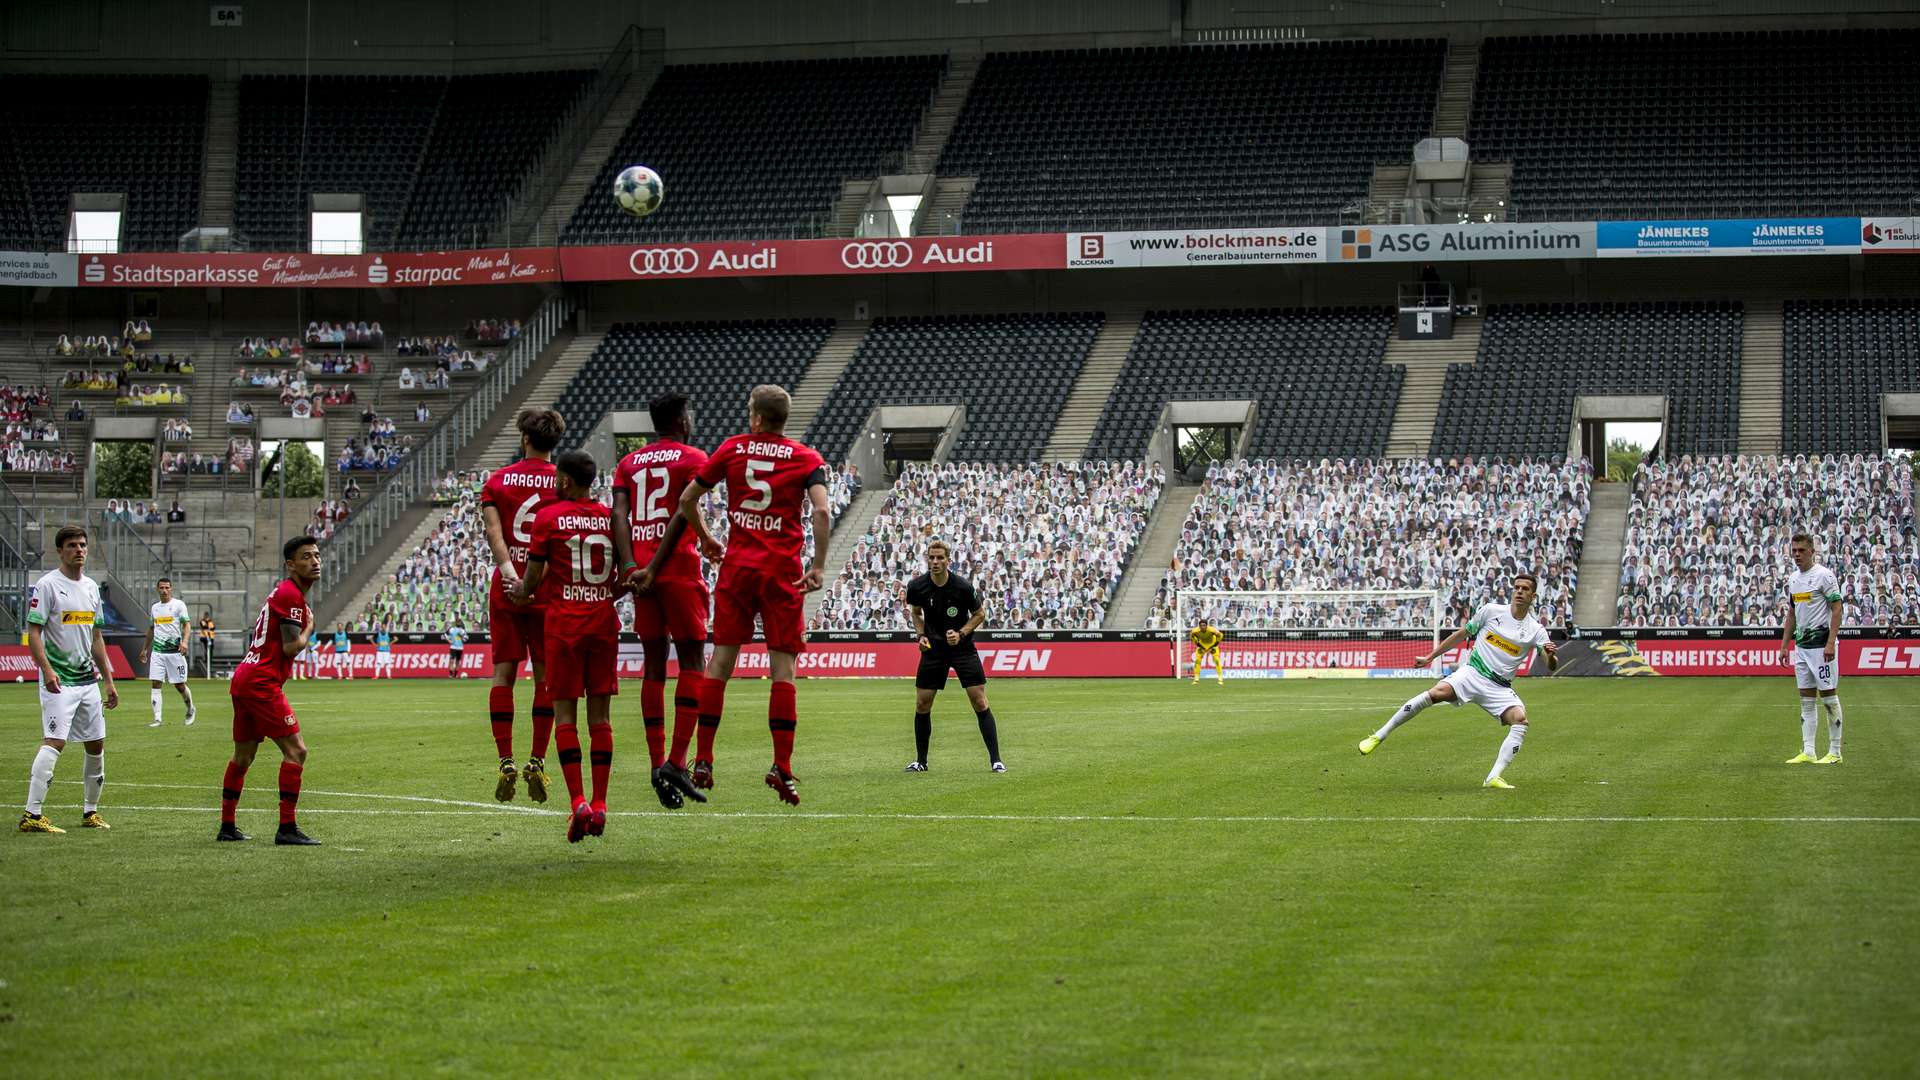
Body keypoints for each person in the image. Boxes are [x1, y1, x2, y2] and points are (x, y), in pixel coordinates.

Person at [633, 385, 831, 806]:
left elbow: (688, 498)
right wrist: (818, 566)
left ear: (756, 418)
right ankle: (782, 767)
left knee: (720, 661)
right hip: (782, 574)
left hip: (738, 569)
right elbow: (822, 510)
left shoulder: (733, 449)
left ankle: (703, 758)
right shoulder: (806, 458)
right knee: (783, 669)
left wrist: (705, 537)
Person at [1358, 573, 1560, 789]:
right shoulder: (1492, 611)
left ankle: (1493, 777)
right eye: (1517, 587)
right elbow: (1460, 634)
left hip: (1499, 687)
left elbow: (1550, 665)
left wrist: (1551, 655)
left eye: (1525, 589)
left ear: (1533, 596)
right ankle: (1379, 735)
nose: (1519, 591)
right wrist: (1430, 657)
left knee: (1520, 720)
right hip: (1472, 673)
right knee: (1436, 693)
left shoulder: (1536, 630)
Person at [512, 451, 620, 843]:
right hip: (603, 623)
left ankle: (578, 802)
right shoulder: (611, 518)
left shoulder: (548, 517)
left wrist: (520, 593)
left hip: (562, 627)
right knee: (601, 720)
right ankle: (602, 802)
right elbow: (624, 574)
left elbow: (534, 577)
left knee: (565, 718)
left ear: (564, 481)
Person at [611, 391, 711, 810]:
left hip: (640, 574)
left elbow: (619, 515)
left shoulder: (627, 463)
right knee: (692, 661)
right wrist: (657, 565)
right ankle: (676, 761)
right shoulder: (692, 457)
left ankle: (656, 764)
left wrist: (633, 565)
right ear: (682, 420)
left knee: (653, 666)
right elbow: (682, 510)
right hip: (678, 569)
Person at [480, 407, 564, 804]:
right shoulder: (563, 483)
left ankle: (505, 759)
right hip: (545, 590)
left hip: (507, 586)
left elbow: (494, 532)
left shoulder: (497, 481)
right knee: (545, 678)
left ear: (524, 439)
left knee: (504, 675)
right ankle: (538, 760)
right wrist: (533, 581)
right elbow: (559, 542)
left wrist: (511, 574)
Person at [19, 525, 120, 833]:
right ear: (60, 551)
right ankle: (31, 815)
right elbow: (33, 632)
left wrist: (109, 679)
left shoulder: (91, 588)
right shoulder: (48, 585)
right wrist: (47, 669)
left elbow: (96, 637)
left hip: (88, 681)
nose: (79, 550)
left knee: (96, 744)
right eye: (73, 545)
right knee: (56, 741)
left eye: (83, 545)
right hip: (59, 680)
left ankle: (90, 812)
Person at [222, 537, 322, 845]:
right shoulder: (292, 595)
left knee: (243, 756)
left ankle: (227, 827)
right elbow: (292, 647)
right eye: (306, 557)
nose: (315, 561)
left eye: (317, 555)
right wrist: (308, 628)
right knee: (297, 751)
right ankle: (286, 828)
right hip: (261, 681)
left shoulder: (286, 592)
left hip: (245, 676)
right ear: (291, 565)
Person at [903, 539, 1002, 773]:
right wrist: (920, 635)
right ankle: (921, 762)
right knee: (922, 703)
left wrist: (961, 633)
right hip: (933, 650)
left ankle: (996, 760)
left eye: (940, 558)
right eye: (931, 557)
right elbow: (915, 613)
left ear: (948, 560)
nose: (935, 562)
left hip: (962, 649)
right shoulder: (917, 586)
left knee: (979, 701)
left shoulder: (962, 586)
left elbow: (979, 614)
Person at [1782, 533, 1846, 765]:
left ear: (1812, 551)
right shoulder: (1793, 580)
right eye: (1794, 550)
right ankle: (1809, 751)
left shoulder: (1824, 576)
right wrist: (1784, 645)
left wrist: (1831, 642)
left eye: (1801, 550)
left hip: (1822, 648)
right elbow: (1791, 614)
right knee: (1806, 700)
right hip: (1802, 648)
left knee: (1829, 698)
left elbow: (1837, 609)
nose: (1797, 554)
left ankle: (1835, 752)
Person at [141, 577, 195, 728]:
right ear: (157, 589)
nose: (164, 590)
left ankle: (190, 709)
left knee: (179, 685)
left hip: (175, 652)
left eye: (167, 588)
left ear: (171, 589)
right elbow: (152, 629)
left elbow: (187, 625)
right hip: (158, 652)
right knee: (156, 683)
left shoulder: (178, 605)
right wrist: (145, 649)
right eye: (161, 588)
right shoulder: (155, 608)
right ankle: (157, 719)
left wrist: (184, 642)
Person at [1188, 616, 1226, 686]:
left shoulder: (1212, 630)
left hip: (1212, 645)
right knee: (1197, 661)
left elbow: (1221, 635)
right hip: (1202, 645)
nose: (1202, 627)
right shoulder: (1195, 631)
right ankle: (1196, 679)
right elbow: (1191, 636)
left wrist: (1217, 642)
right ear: (1199, 626)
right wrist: (1196, 642)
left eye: (1204, 625)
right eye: (1201, 625)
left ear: (1207, 625)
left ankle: (1220, 679)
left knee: (1217, 660)